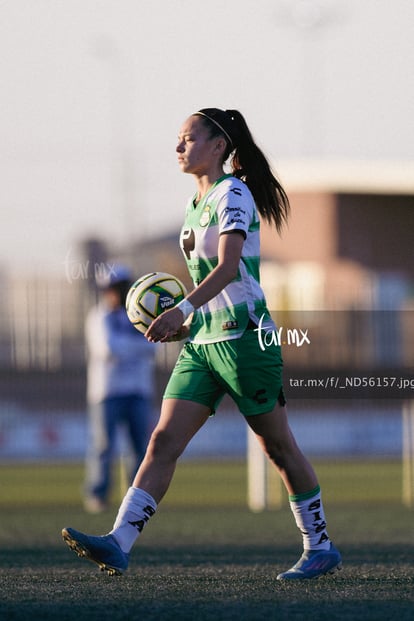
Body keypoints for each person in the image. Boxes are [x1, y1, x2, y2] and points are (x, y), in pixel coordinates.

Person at [62, 108, 342, 580]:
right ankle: (118, 542)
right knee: (163, 439)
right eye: (177, 139)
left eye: (187, 139)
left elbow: (229, 268)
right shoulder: (196, 205)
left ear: (218, 146)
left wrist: (181, 310)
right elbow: (209, 282)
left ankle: (320, 546)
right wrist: (186, 326)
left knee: (277, 446)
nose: (178, 148)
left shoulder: (233, 193)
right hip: (203, 343)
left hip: (246, 340)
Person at [83, 265, 156, 513]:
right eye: (111, 289)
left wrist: (126, 348)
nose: (116, 294)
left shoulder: (141, 314)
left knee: (140, 449)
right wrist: (136, 346)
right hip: (107, 392)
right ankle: (98, 494)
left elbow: (153, 348)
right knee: (103, 446)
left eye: (120, 288)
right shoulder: (98, 316)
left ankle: (135, 500)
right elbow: (107, 349)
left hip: (138, 390)